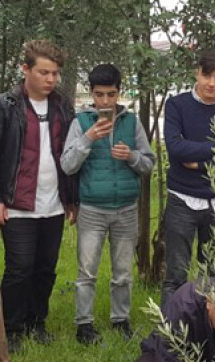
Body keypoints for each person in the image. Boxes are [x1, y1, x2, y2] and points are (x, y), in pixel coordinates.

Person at [0, 39, 78, 350]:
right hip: (18, 203)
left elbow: (72, 154)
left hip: (53, 203)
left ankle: (38, 322)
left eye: (55, 74)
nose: (50, 80)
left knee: (46, 268)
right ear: (25, 69)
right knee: (19, 267)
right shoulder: (4, 106)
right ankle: (13, 329)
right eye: (44, 72)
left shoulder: (62, 105)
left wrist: (71, 200)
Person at [61, 63, 155, 344]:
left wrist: (132, 157)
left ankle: (120, 320)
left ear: (119, 93)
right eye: (99, 95)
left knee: (123, 272)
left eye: (111, 95)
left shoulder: (131, 122)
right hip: (92, 207)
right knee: (87, 271)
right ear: (91, 94)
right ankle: (84, 325)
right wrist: (88, 139)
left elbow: (149, 164)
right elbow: (67, 165)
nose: (105, 101)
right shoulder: (81, 123)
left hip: (126, 208)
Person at [160, 49, 215, 308]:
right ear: (197, 73)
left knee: (213, 274)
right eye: (207, 75)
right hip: (182, 200)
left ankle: (205, 327)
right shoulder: (177, 105)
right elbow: (176, 149)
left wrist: (198, 161)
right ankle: (170, 332)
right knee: (176, 274)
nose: (212, 83)